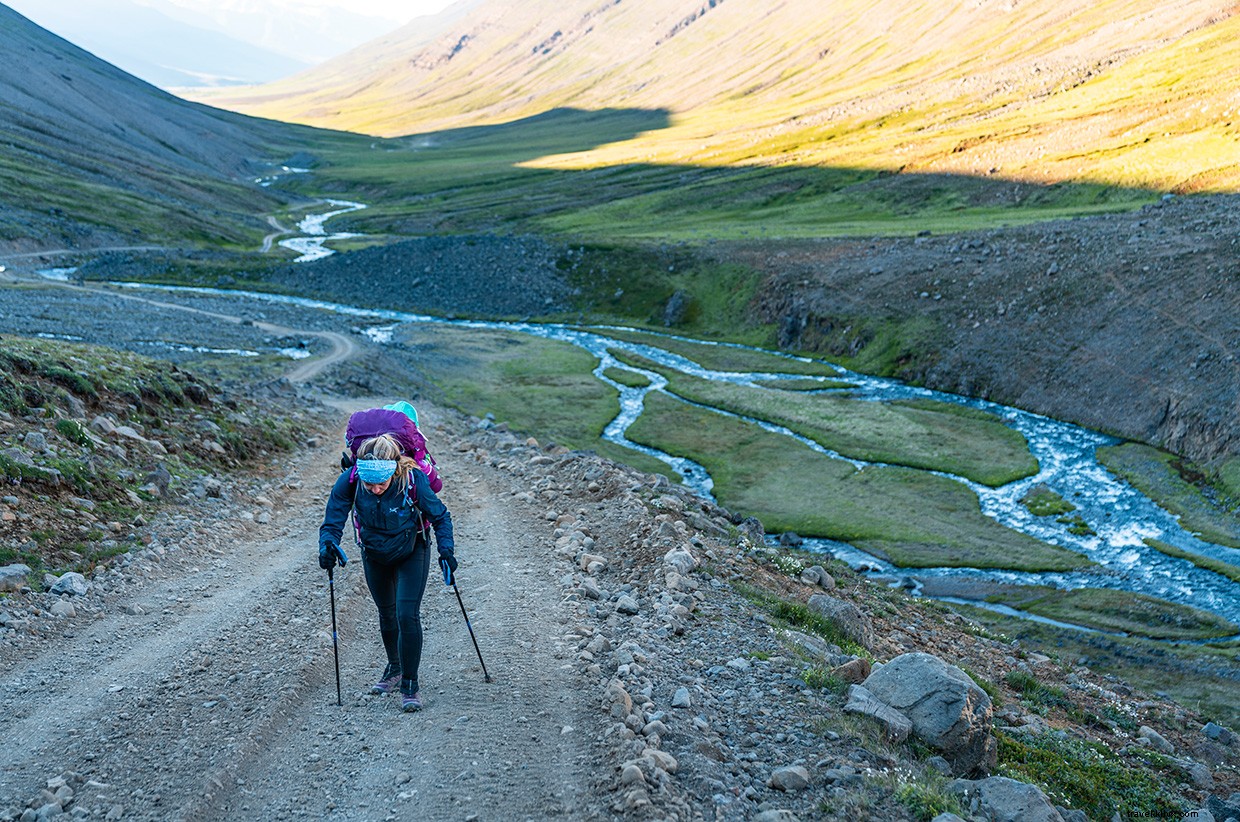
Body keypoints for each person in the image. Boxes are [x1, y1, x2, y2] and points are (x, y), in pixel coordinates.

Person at [318, 433, 456, 712]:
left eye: (381, 483)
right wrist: (327, 544)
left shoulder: (412, 480)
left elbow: (440, 516)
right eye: (370, 484)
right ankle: (394, 667)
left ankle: (410, 683)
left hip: (411, 550)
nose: (375, 489)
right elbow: (333, 517)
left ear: (393, 472)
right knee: (387, 613)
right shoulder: (352, 480)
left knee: (407, 614)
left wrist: (447, 551)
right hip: (374, 552)